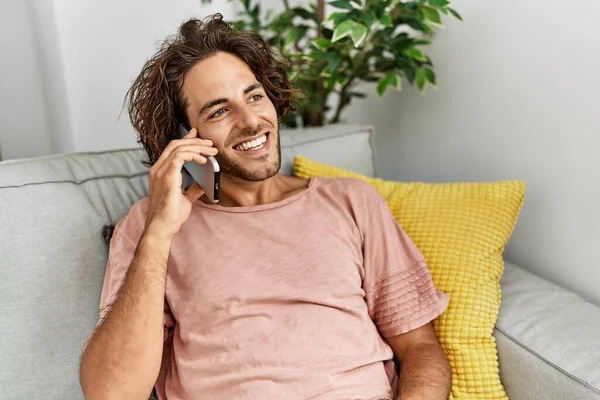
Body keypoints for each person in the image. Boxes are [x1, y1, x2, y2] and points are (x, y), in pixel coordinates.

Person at [80, 14, 451, 400]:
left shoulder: (351, 202)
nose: (251, 121)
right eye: (219, 111)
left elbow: (419, 347)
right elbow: (111, 393)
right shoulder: (150, 225)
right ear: (184, 139)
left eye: (254, 96)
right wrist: (159, 231)